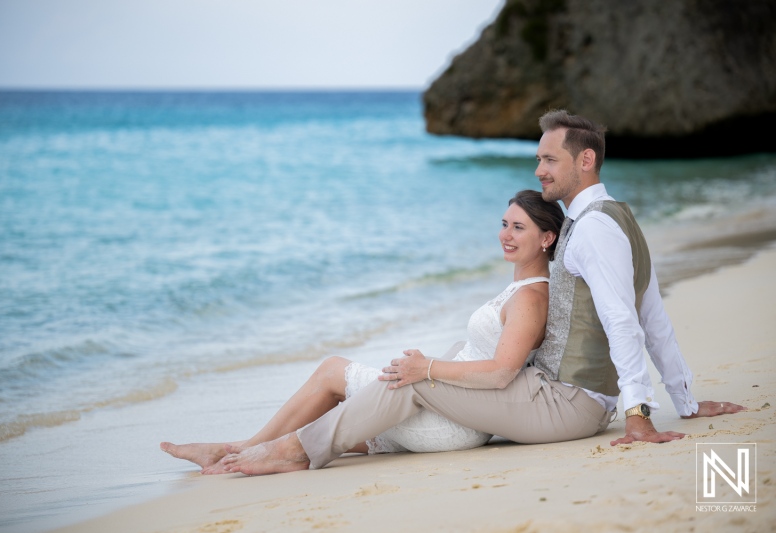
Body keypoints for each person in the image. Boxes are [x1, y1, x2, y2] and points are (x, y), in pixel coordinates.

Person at [215, 109, 745, 476]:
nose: (539, 170)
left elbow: (626, 321)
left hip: (570, 403)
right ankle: (283, 446)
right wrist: (686, 400)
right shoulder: (616, 218)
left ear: (585, 161)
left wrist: (639, 415)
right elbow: (654, 314)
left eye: (550, 161)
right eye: (539, 159)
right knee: (417, 377)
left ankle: (293, 451)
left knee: (415, 379)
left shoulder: (595, 230)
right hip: (564, 396)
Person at [162, 190, 564, 474]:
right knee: (338, 420)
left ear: (546, 239)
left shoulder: (531, 297)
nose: (505, 235)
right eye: (504, 224)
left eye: (519, 228)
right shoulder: (521, 289)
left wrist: (426, 369)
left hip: (454, 421)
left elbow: (501, 372)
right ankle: (238, 451)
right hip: (449, 410)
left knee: (332, 372)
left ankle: (245, 448)